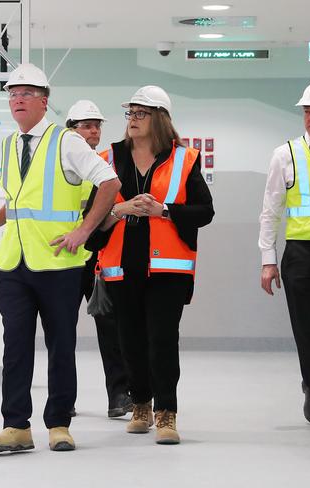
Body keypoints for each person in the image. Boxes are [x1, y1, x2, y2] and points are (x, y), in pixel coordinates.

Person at [0, 64, 121, 453]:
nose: (17, 99)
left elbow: (110, 182)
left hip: (59, 264)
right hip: (14, 266)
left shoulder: (66, 140)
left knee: (60, 345)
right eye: (12, 94)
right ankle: (16, 426)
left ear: (43, 101)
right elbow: (20, 200)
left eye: (25, 93)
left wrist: (84, 231)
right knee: (15, 346)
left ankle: (58, 424)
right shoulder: (7, 144)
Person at [87, 85, 214, 445]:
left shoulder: (184, 159)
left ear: (159, 119)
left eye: (140, 113)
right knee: (130, 341)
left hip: (168, 269)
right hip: (121, 266)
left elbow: (205, 211)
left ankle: (166, 412)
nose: (132, 120)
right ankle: (140, 404)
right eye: (130, 113)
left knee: (161, 339)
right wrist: (120, 210)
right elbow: (92, 217)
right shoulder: (107, 159)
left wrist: (165, 211)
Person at [258, 80, 310, 436]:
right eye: (306, 111)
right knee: (307, 331)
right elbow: (270, 210)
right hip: (301, 255)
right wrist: (268, 258)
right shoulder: (285, 154)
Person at [65, 99, 133, 418]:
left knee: (111, 325)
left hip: (97, 256)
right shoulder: (59, 162)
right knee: (62, 330)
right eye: (86, 126)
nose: (93, 131)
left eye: (97, 126)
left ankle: (119, 396)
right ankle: (64, 398)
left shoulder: (105, 164)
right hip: (64, 258)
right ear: (71, 130)